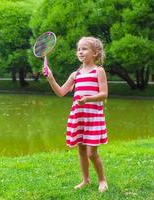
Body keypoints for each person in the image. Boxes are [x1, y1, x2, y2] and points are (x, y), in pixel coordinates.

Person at [43, 36, 108, 192]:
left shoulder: (98, 71)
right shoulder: (75, 75)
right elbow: (61, 92)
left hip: (93, 117)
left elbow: (104, 94)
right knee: (81, 150)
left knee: (91, 152)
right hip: (78, 115)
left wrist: (88, 99)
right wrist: (51, 78)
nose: (80, 52)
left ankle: (102, 180)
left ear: (95, 53)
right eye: (78, 49)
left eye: (84, 49)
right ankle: (85, 180)